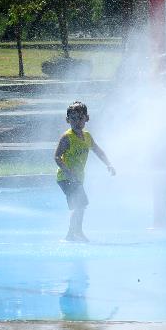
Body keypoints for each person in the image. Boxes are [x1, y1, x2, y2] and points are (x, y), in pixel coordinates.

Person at [54, 101, 115, 241]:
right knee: (80, 204)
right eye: (73, 118)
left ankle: (71, 234)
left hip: (77, 178)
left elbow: (98, 151)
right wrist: (68, 172)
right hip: (66, 177)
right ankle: (76, 233)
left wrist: (108, 164)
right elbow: (56, 157)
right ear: (67, 120)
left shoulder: (87, 136)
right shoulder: (67, 138)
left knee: (79, 206)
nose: (77, 122)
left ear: (87, 118)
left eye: (80, 118)